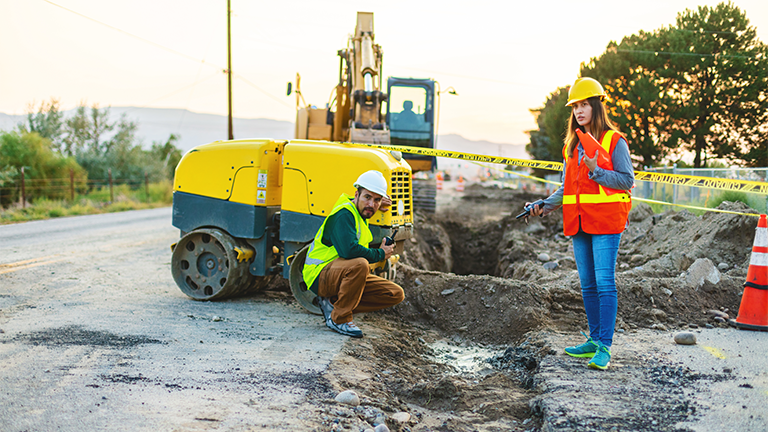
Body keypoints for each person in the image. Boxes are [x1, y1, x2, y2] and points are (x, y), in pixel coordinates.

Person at [525, 77, 634, 370]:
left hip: (606, 223)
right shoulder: (571, 146)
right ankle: (595, 339)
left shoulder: (614, 141)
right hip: (579, 223)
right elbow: (567, 187)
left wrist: (596, 171)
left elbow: (626, 181)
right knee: (587, 285)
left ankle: (605, 348)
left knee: (604, 282)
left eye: (585, 105)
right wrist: (544, 205)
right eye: (575, 107)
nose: (579, 111)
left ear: (597, 106)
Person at [301, 170, 405, 338]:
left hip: (341, 274)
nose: (372, 204)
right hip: (319, 275)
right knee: (360, 264)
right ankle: (339, 318)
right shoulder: (344, 214)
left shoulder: (361, 212)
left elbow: (368, 207)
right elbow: (348, 251)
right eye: (367, 197)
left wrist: (378, 205)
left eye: (377, 200)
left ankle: (335, 303)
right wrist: (380, 253)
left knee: (394, 294)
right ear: (356, 194)